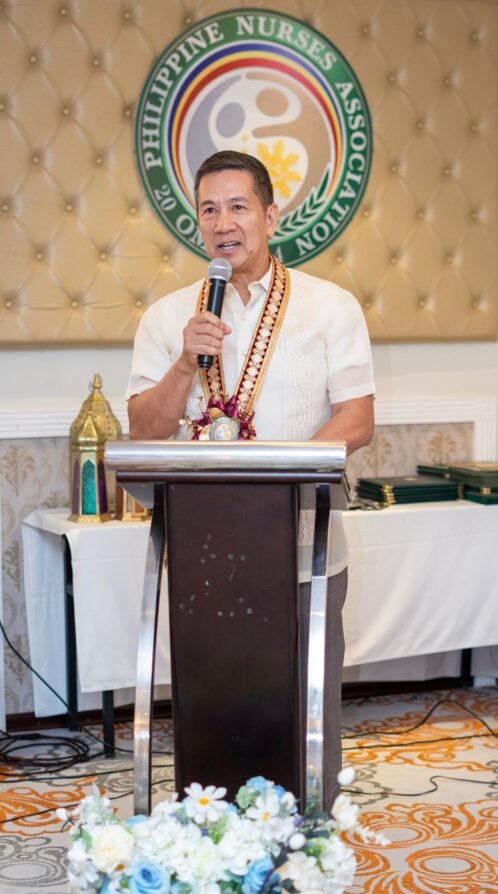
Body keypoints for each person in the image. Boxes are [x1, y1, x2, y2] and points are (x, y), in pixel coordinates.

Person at [126, 150, 375, 807]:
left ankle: (310, 845)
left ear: (271, 215)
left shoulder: (330, 306)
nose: (223, 223)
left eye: (238, 206)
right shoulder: (167, 318)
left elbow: (357, 418)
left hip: (303, 550)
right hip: (206, 561)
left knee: (305, 715)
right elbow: (144, 430)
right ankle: (211, 845)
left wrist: (284, 481)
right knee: (217, 712)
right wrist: (186, 361)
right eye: (209, 209)